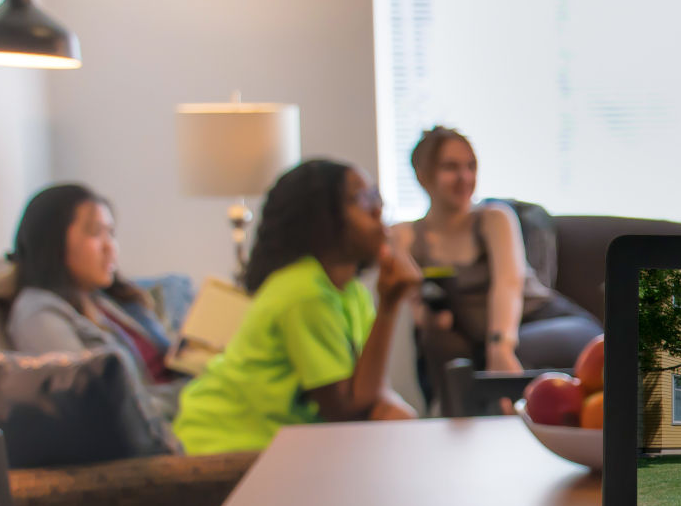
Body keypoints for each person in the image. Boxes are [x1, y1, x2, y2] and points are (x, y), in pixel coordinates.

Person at [175, 159, 419, 456]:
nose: (378, 211)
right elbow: (345, 412)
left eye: (376, 196)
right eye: (362, 199)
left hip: (280, 439)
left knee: (398, 422)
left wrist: (400, 412)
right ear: (324, 219)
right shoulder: (304, 292)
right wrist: (390, 307)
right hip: (225, 440)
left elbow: (370, 389)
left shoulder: (351, 292)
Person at [395, 127, 600, 405]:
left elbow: (508, 283)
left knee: (501, 362)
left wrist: (500, 347)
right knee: (459, 361)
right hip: (487, 341)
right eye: (450, 167)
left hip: (550, 322)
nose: (464, 178)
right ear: (422, 174)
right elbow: (417, 307)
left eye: (470, 166)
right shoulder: (409, 236)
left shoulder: (493, 218)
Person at [6, 183, 181, 423]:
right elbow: (96, 405)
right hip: (166, 429)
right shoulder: (39, 313)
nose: (110, 247)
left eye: (111, 233)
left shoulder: (106, 299)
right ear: (52, 241)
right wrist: (192, 394)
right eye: (96, 233)